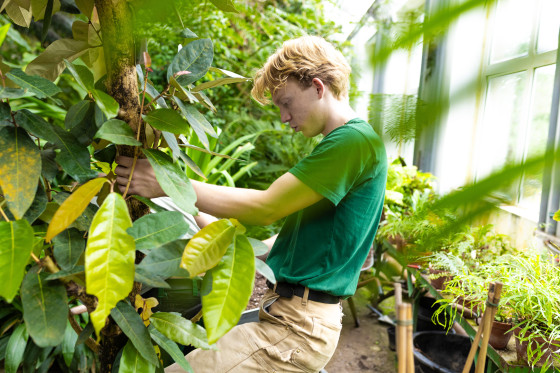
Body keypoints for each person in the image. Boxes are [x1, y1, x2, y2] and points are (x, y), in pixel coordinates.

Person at [115, 35, 387, 373]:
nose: (285, 118)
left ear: (318, 87)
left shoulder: (352, 142)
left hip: (295, 331)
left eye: (286, 103)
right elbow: (298, 241)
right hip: (289, 318)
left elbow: (266, 206)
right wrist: (218, 233)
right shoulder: (347, 143)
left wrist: (168, 183)